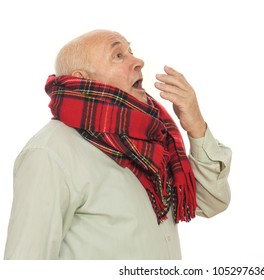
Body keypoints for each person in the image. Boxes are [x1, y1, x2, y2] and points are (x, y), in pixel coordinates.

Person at [4, 29, 232, 260]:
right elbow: (26, 261)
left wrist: (196, 127)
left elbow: (211, 201)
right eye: (118, 55)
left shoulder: (152, 143)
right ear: (82, 79)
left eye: (130, 51)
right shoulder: (50, 153)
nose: (139, 62)